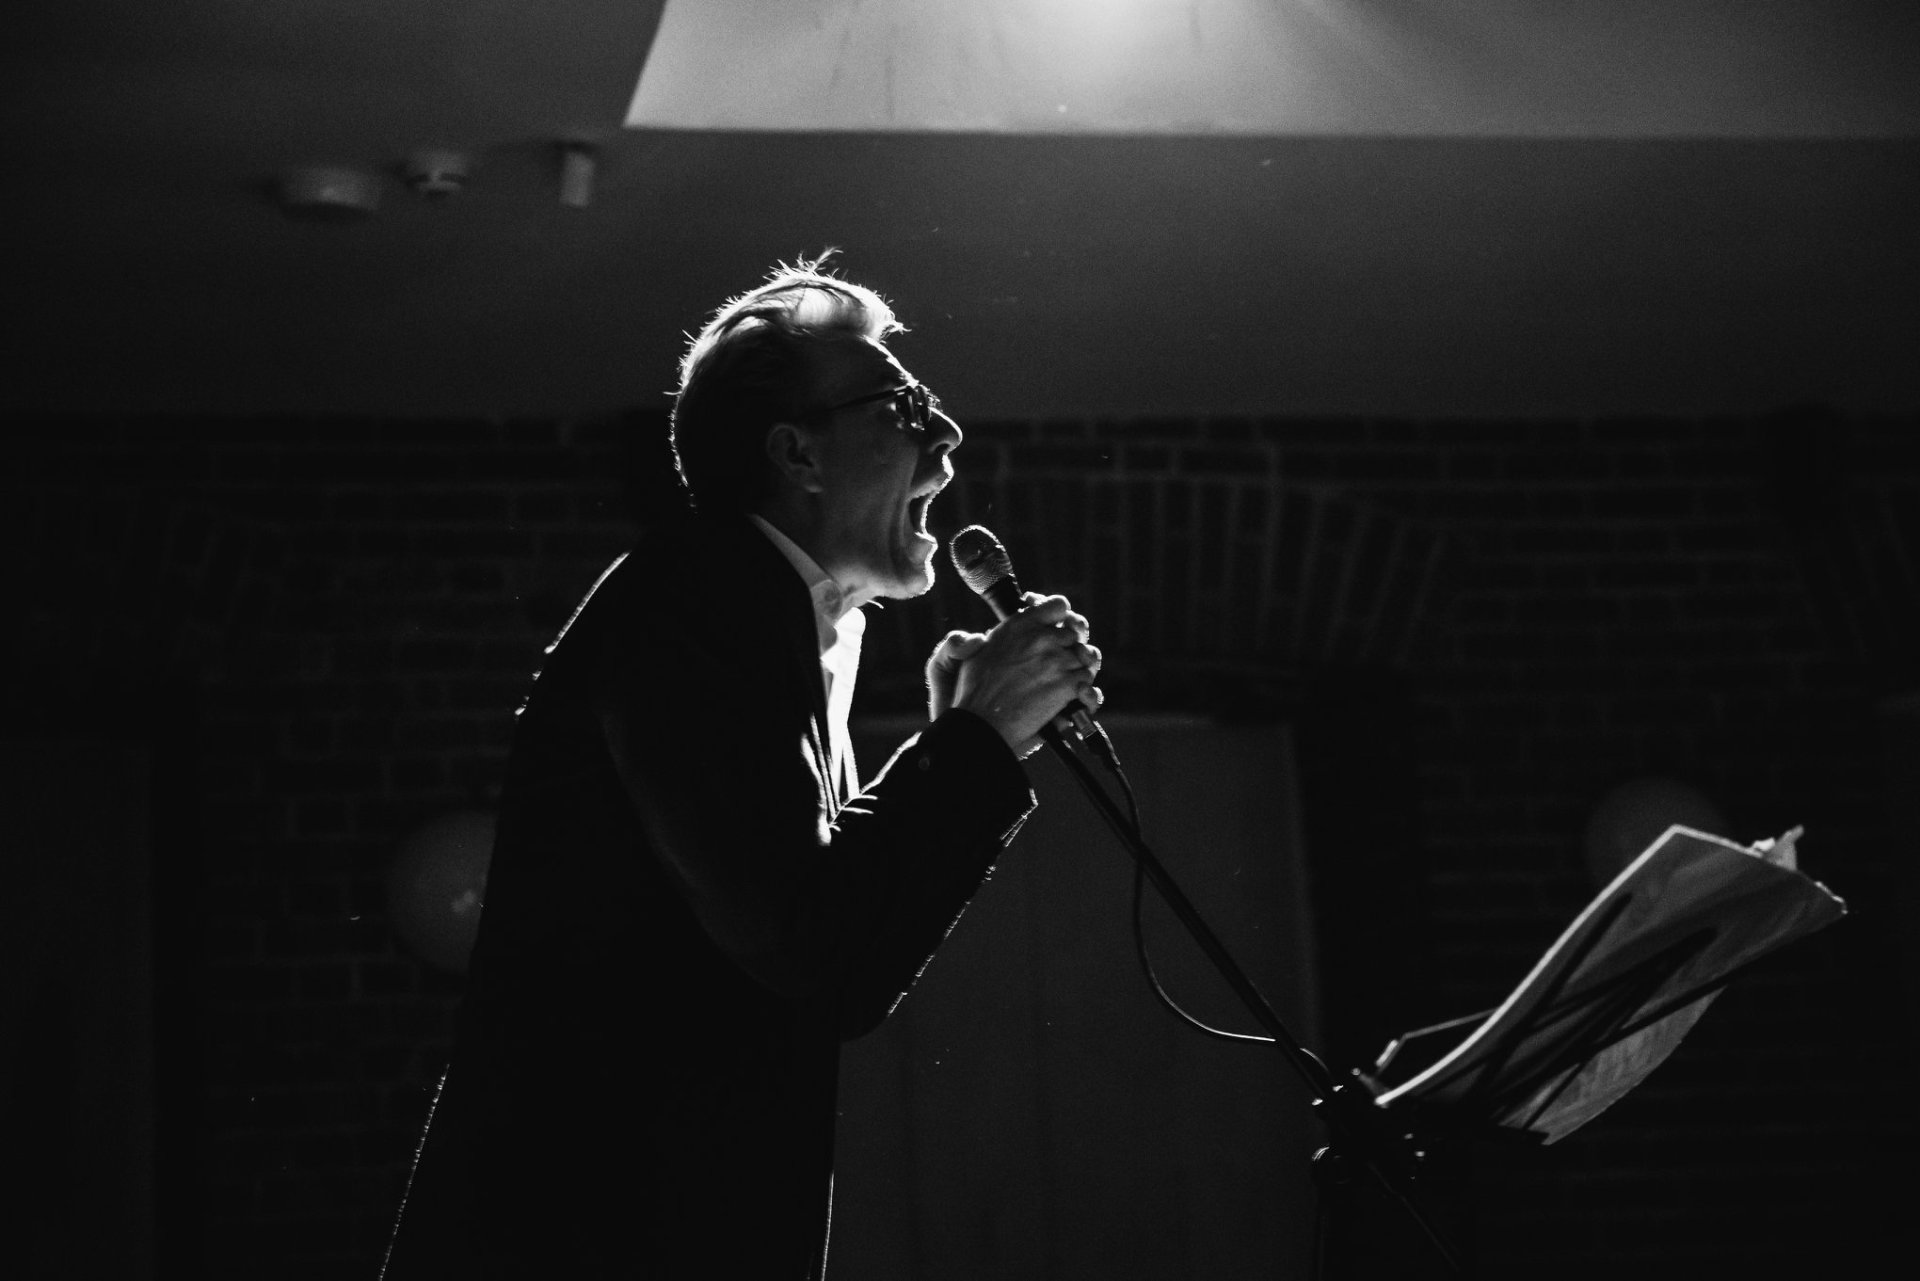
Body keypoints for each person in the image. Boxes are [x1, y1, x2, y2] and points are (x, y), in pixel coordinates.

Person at [381, 261, 1101, 1278]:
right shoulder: (701, 601)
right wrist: (974, 743)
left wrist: (960, 738)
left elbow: (813, 919)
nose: (946, 437)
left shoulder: (762, 611)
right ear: (797, 452)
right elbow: (813, 947)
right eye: (905, 407)